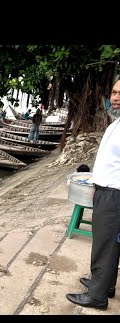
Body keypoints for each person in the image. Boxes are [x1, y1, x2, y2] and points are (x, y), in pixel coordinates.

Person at [66, 77, 120, 311]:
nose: (115, 97)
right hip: (105, 191)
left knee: (104, 245)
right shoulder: (114, 124)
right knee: (108, 244)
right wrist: (96, 185)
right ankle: (105, 284)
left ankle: (97, 296)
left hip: (116, 195)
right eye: (114, 92)